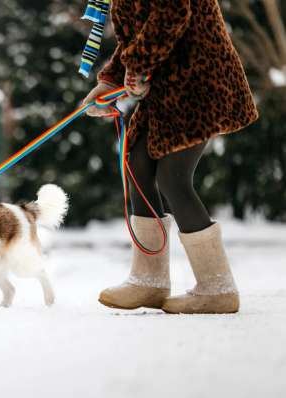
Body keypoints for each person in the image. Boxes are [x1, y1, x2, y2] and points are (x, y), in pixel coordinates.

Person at [83, 0, 258, 314]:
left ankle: (217, 288)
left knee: (172, 178)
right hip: (167, 86)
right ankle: (148, 281)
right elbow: (137, 34)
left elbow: (172, 13)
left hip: (200, 82)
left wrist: (136, 67)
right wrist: (111, 80)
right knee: (137, 164)